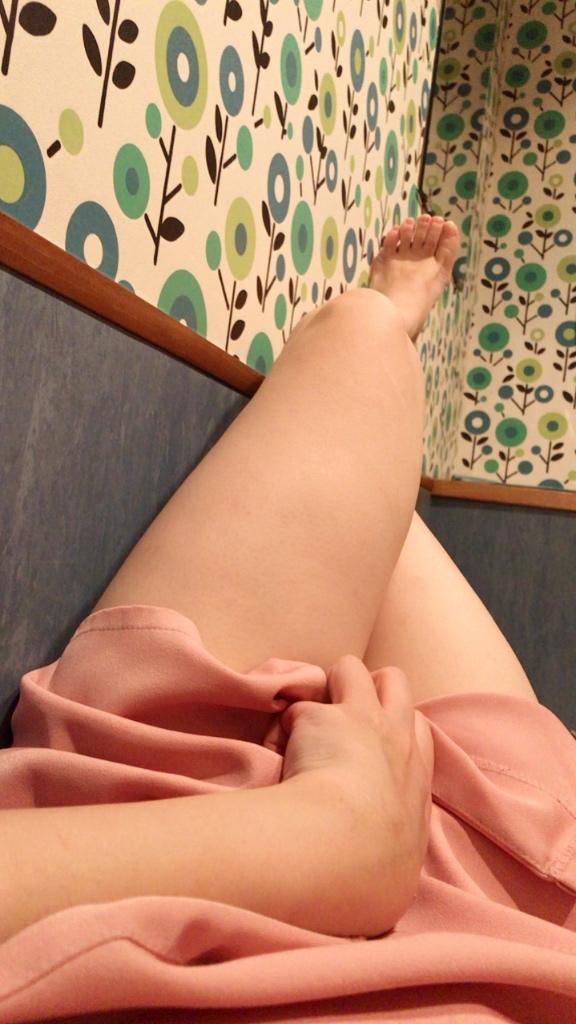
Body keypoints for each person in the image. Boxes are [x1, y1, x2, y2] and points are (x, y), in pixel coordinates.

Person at [1, 216, 573, 1022]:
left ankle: (383, 327)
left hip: (171, 834)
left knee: (361, 345)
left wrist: (322, 839)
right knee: (374, 469)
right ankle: (381, 375)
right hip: (531, 894)